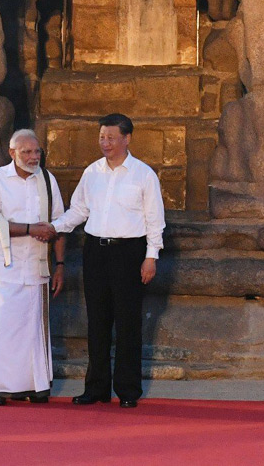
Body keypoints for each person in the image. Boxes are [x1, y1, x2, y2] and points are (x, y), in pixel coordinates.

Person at [48, 113, 165, 409]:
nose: (105, 143)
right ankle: (96, 387)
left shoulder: (143, 174)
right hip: (96, 251)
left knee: (127, 322)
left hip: (129, 253)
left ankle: (127, 390)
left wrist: (151, 257)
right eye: (102, 137)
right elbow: (79, 211)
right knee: (97, 321)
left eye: (111, 137)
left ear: (127, 139)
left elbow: (155, 221)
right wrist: (54, 227)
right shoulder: (92, 172)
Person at [0, 128, 65, 405]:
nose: (33, 156)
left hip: (36, 266)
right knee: (2, 326)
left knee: (33, 328)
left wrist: (60, 264)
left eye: (36, 151)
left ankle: (35, 385)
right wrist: (31, 229)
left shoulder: (47, 180)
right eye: (26, 151)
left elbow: (59, 225)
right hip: (5, 266)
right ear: (12, 152)